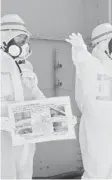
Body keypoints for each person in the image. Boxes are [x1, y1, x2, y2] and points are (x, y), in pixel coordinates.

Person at [65, 23, 112, 179]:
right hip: (95, 129)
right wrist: (79, 48)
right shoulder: (91, 66)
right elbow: (82, 61)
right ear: (103, 44)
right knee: (97, 171)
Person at [1, 14, 46, 179]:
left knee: (25, 172)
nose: (23, 44)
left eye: (24, 39)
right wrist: (3, 121)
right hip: (3, 138)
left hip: (26, 133)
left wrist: (56, 113)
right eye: (19, 39)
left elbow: (36, 93)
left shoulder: (26, 66)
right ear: (5, 37)